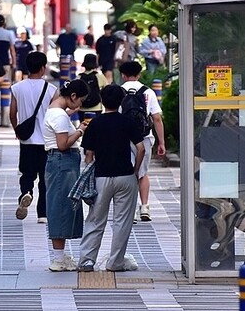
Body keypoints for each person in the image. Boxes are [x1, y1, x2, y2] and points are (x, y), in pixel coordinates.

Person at [77, 84, 145, 272]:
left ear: (101, 100)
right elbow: (141, 149)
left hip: (101, 177)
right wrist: (135, 170)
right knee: (122, 221)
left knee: (95, 220)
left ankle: (87, 261)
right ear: (121, 101)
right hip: (126, 176)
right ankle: (115, 262)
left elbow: (89, 154)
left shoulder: (95, 123)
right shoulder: (127, 122)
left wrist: (89, 171)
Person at [43, 79, 90, 271]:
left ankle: (60, 256)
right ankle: (58, 259)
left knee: (61, 204)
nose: (79, 105)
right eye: (80, 101)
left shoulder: (55, 110)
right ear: (73, 96)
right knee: (61, 205)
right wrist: (80, 131)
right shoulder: (59, 116)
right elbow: (62, 144)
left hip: (60, 162)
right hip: (62, 162)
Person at [10, 51, 58, 223]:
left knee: (27, 173)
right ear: (43, 67)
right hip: (46, 141)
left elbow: (12, 114)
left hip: (27, 140)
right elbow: (55, 114)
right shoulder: (51, 90)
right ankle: (42, 215)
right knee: (45, 179)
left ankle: (26, 192)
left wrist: (17, 130)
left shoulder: (17, 88)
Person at [119, 61, 166, 222]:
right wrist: (161, 142)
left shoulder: (118, 91)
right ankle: (144, 207)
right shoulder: (148, 92)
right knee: (142, 173)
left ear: (123, 75)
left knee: (127, 173)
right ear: (139, 74)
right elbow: (157, 118)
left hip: (124, 138)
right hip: (144, 137)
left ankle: (130, 210)